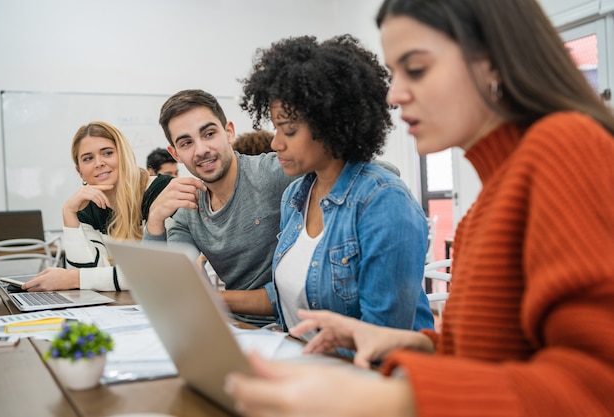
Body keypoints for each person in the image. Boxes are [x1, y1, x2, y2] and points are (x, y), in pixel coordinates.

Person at [224, 0, 614, 416]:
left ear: (495, 61)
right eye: (394, 73)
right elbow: (497, 357)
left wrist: (391, 399)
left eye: (417, 68)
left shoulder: (565, 146)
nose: (394, 94)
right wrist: (411, 342)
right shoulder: (489, 202)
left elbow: (598, 387)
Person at [220, 34, 434, 337]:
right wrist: (213, 297)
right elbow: (291, 290)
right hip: (301, 360)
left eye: (289, 131)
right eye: (276, 128)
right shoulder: (296, 195)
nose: (275, 143)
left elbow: (383, 337)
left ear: (332, 125)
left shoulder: (384, 202)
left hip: (360, 375)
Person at [143, 89, 297, 325]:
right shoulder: (187, 209)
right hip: (234, 326)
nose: (201, 150)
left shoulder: (271, 173)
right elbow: (167, 291)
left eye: (209, 134)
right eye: (186, 143)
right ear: (175, 154)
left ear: (229, 132)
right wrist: (154, 221)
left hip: (289, 325)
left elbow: (358, 168)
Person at [22, 121, 174, 292]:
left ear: (123, 155)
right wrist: (69, 213)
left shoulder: (162, 190)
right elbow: (86, 274)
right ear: (79, 171)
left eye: (107, 153)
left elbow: (157, 273)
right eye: (88, 158)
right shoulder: (86, 208)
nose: (99, 163)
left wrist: (75, 279)